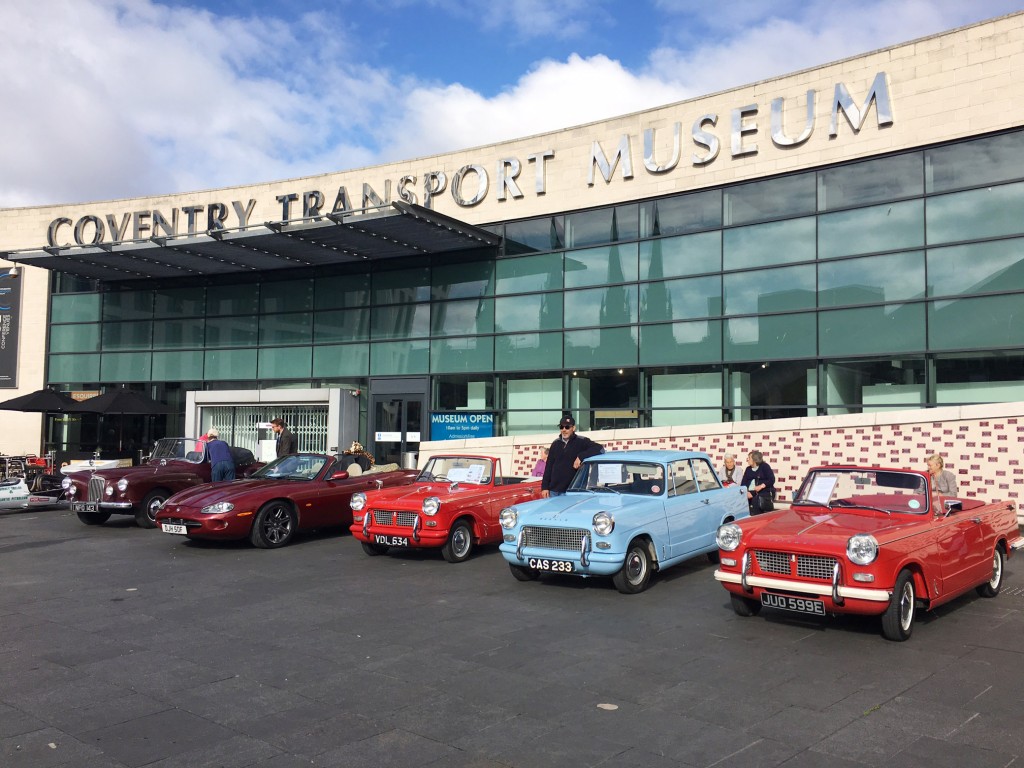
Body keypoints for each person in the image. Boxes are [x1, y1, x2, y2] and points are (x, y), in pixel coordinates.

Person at [541, 415, 604, 498]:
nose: (564, 429)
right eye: (561, 427)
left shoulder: (582, 441)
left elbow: (600, 448)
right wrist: (545, 487)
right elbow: (549, 467)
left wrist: (581, 456)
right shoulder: (555, 444)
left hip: (572, 491)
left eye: (567, 427)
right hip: (554, 491)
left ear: (573, 428)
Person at [740, 450, 776, 515]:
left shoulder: (765, 466)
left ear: (754, 459)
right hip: (749, 492)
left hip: (764, 492)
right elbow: (743, 483)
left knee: (755, 501)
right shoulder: (748, 469)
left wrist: (762, 486)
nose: (747, 460)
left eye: (749, 458)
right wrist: (746, 492)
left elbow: (771, 480)